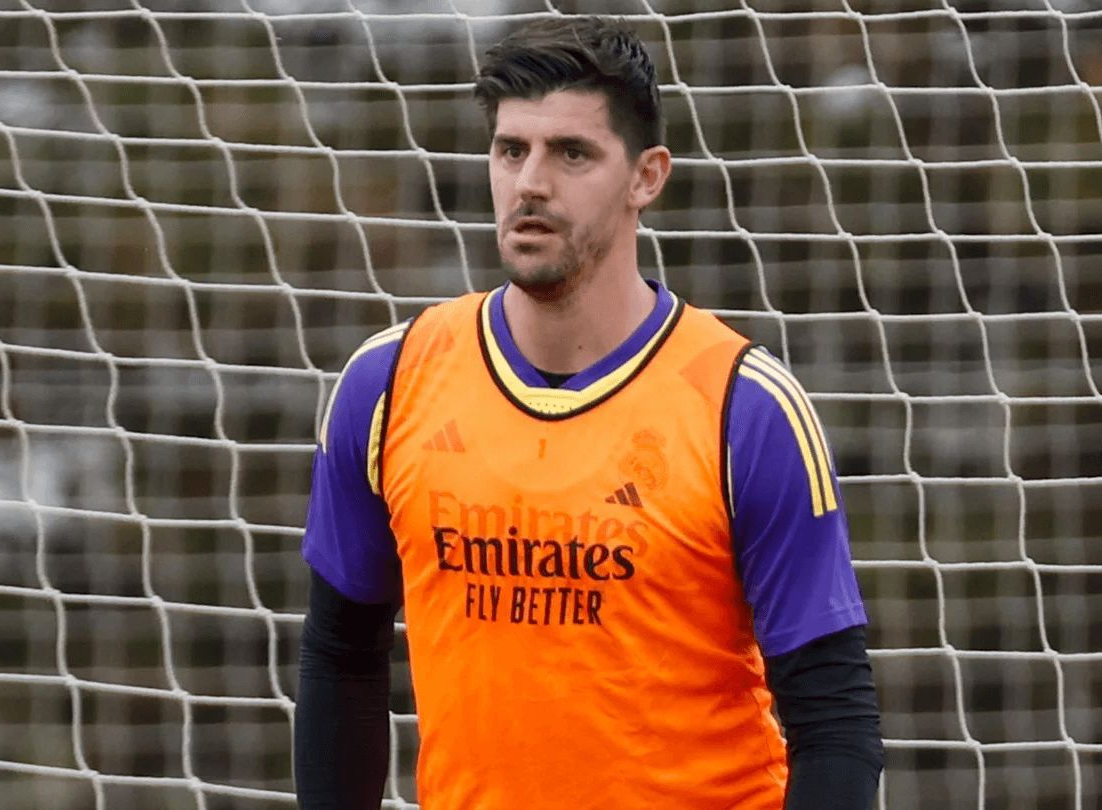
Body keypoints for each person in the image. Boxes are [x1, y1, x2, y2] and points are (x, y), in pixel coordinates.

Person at [294, 16, 882, 809]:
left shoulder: (745, 408)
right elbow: (340, 653)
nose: (531, 182)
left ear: (647, 176)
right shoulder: (389, 382)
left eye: (572, 153)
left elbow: (836, 721)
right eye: (511, 150)